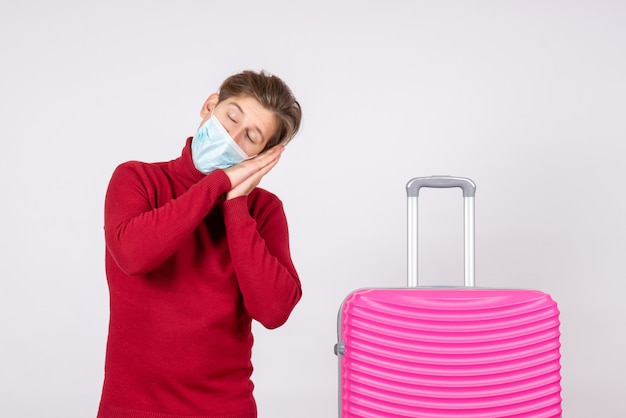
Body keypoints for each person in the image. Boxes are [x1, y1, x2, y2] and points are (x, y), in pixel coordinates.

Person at [97, 70, 303, 418]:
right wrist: (217, 184)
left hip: (224, 409)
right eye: (231, 117)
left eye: (250, 137)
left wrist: (236, 204)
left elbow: (273, 311)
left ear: (262, 155)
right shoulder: (137, 179)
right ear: (210, 106)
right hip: (130, 408)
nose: (231, 136)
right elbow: (134, 256)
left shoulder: (264, 210)